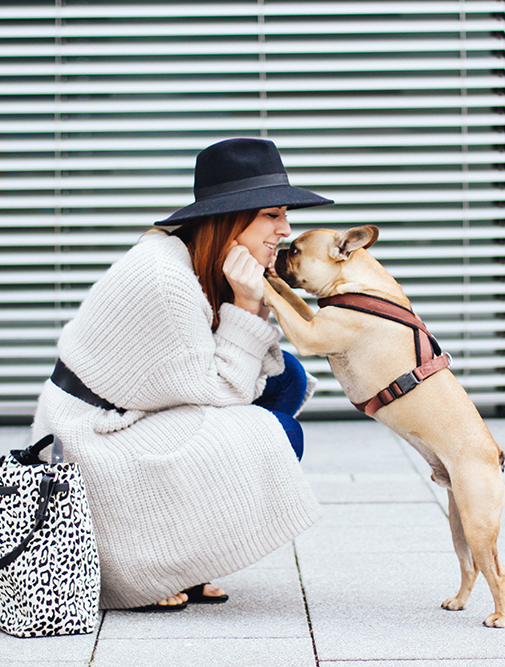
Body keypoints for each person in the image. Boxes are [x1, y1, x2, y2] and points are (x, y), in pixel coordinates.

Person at [31, 138, 332, 611]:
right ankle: (151, 565)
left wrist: (253, 290)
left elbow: (253, 369)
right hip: (91, 443)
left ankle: (188, 555)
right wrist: (249, 303)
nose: (286, 228)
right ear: (230, 220)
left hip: (124, 414)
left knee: (285, 378)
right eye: (272, 215)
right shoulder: (166, 279)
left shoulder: (191, 258)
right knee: (277, 433)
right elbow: (224, 393)